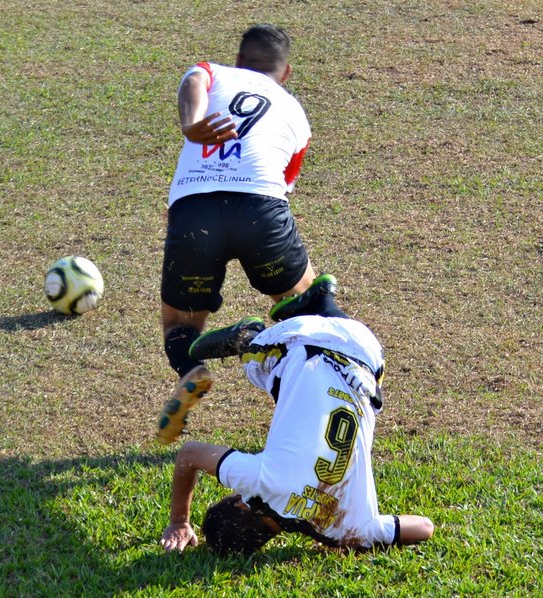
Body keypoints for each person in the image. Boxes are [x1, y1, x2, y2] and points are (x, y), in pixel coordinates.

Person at [157, 24, 331, 445]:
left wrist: (192, 122)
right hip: (259, 213)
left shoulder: (213, 73)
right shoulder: (294, 112)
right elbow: (285, 187)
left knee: (179, 325)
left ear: (238, 61)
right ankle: (316, 404)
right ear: (285, 72)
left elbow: (193, 79)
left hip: (193, 211)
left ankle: (191, 370)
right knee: (307, 310)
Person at [159, 292, 435, 553]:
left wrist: (346, 538)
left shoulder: (352, 529)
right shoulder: (259, 483)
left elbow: (424, 527)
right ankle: (252, 337)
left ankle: (324, 303)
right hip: (299, 336)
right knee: (261, 370)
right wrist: (179, 522)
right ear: (243, 506)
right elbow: (189, 454)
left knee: (332, 386)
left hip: (369, 354)